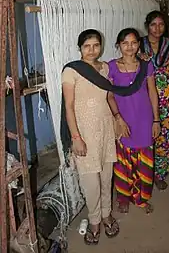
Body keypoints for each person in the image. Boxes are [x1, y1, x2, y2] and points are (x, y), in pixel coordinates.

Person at [61, 29, 119, 245]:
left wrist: (117, 118)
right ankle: (94, 220)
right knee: (90, 181)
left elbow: (110, 95)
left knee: (106, 176)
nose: (92, 50)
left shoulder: (104, 68)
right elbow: (68, 105)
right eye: (87, 46)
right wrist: (75, 137)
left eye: (96, 45)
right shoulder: (72, 71)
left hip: (105, 128)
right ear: (80, 48)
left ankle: (106, 214)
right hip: (84, 132)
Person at [107, 28, 161, 214]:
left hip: (144, 119)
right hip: (123, 119)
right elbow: (110, 96)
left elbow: (153, 93)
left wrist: (156, 120)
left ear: (139, 44)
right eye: (125, 43)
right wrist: (118, 119)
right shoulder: (111, 67)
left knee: (144, 161)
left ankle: (142, 198)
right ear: (118, 45)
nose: (129, 47)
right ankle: (123, 198)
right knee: (123, 161)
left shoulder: (146, 65)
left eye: (133, 42)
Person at [139, 10, 169, 190]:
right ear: (147, 26)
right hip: (146, 95)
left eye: (161, 24)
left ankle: (160, 174)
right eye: (153, 24)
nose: (157, 28)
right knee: (148, 134)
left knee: (167, 137)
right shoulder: (139, 44)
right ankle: (146, 173)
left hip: (168, 96)